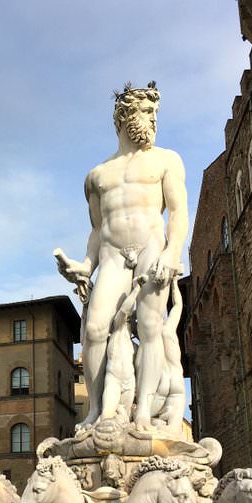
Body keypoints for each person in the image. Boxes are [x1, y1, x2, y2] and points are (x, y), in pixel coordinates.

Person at [55, 81, 189, 434]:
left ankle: (143, 409)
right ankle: (97, 410)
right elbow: (98, 231)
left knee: (149, 327)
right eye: (147, 111)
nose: (153, 119)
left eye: (155, 112)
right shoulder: (97, 176)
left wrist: (172, 251)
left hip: (151, 248)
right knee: (96, 328)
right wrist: (85, 265)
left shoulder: (166, 160)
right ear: (125, 115)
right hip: (113, 255)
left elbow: (177, 212)